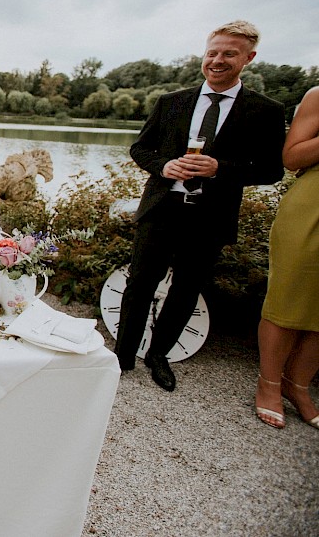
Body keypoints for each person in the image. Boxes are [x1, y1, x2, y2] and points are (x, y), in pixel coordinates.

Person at [114, 21, 286, 391]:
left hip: (209, 216)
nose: (217, 60)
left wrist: (221, 168)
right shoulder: (171, 102)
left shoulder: (265, 110)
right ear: (204, 54)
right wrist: (164, 165)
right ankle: (122, 356)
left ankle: (159, 356)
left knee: (187, 288)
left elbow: (273, 170)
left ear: (249, 58)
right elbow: (140, 149)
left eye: (229, 53)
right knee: (140, 283)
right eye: (212, 52)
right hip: (161, 208)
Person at [255, 86, 319, 429]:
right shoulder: (318, 96)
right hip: (314, 206)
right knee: (288, 296)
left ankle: (299, 386)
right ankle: (270, 385)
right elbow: (291, 158)